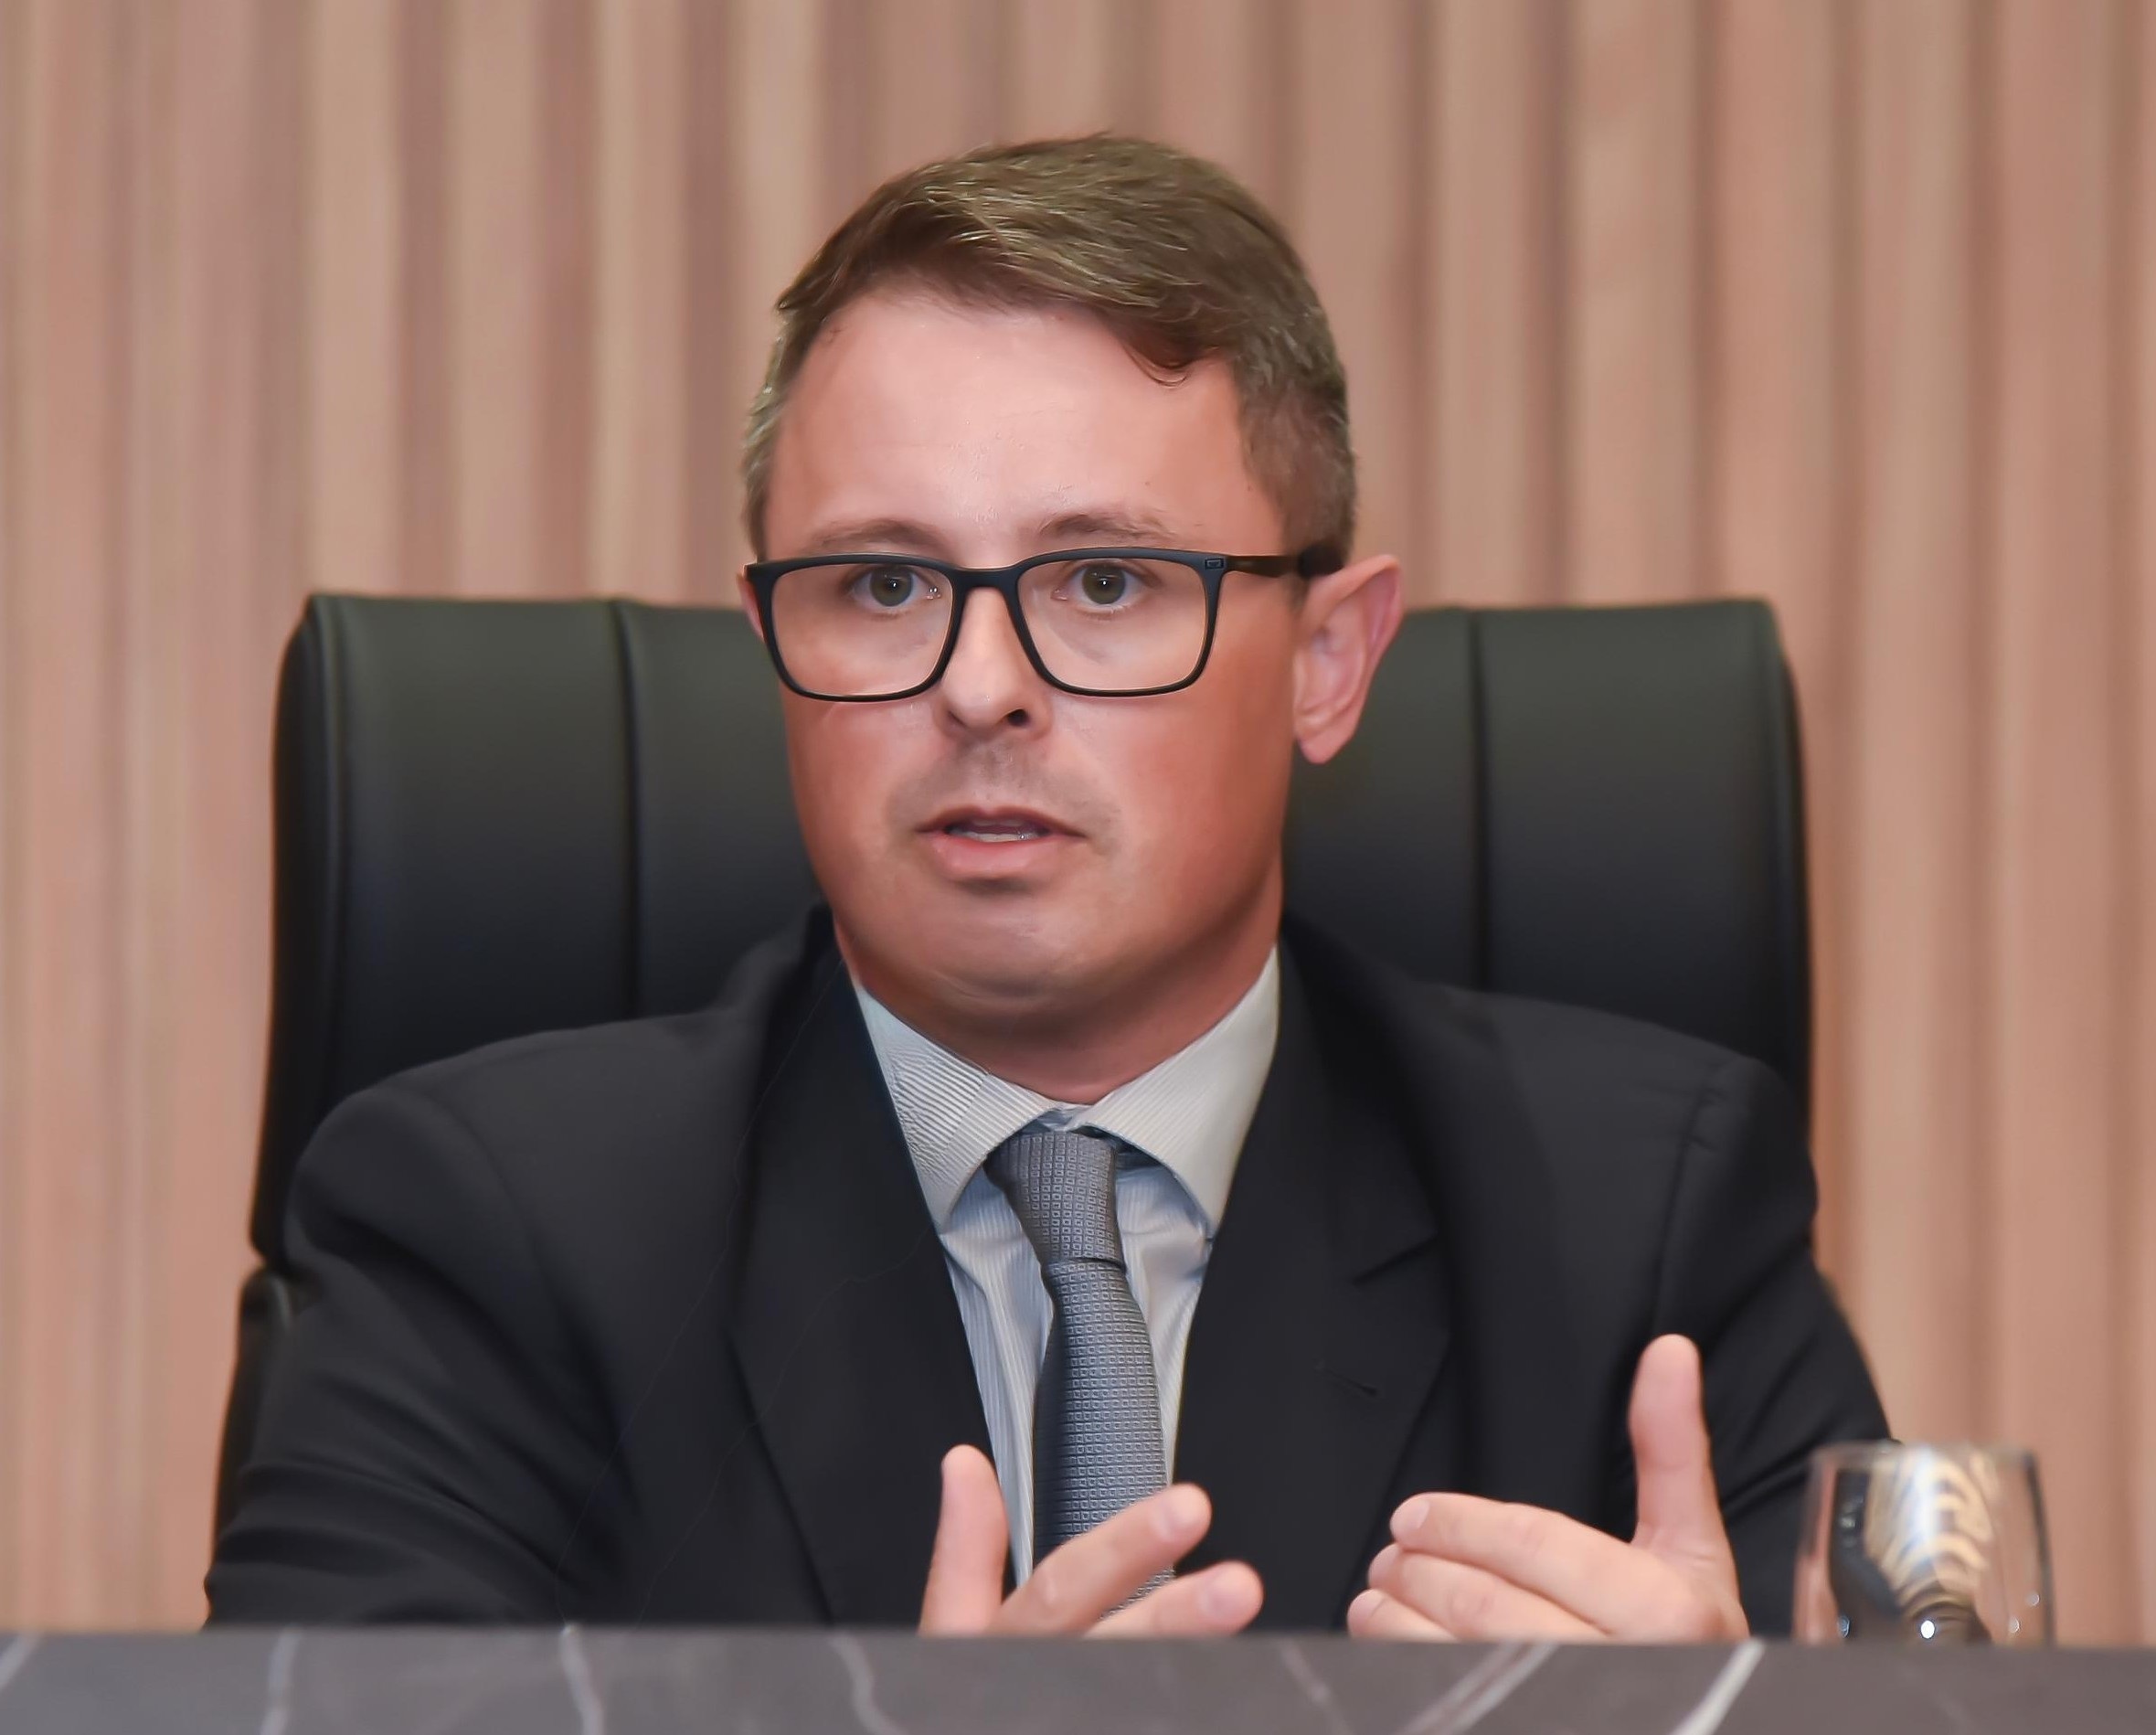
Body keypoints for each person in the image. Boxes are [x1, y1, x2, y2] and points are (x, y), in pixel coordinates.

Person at [207, 135, 1885, 1638]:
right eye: (882, 584)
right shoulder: (484, 1238)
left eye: (1103, 580)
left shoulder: (1646, 1228)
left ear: (1328, 662)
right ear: (773, 644)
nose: (980, 686)